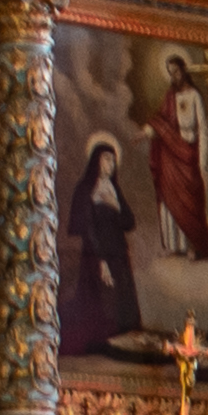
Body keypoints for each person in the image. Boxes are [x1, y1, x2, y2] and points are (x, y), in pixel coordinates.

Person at [61, 139, 139, 353]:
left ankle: (120, 341)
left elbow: (129, 222)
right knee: (99, 298)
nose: (110, 164)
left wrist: (114, 205)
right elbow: (86, 226)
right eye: (106, 159)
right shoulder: (86, 188)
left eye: (113, 160)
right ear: (96, 161)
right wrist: (101, 260)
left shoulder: (114, 188)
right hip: (96, 252)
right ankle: (99, 342)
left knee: (121, 297)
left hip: (118, 252)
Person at [143, 56, 208, 261]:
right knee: (170, 198)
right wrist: (147, 131)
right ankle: (174, 245)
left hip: (189, 153)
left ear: (184, 71)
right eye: (170, 73)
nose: (173, 76)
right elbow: (161, 123)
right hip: (170, 154)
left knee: (190, 202)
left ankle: (193, 244)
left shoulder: (195, 95)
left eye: (176, 72)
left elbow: (203, 129)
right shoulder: (170, 97)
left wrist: (202, 163)